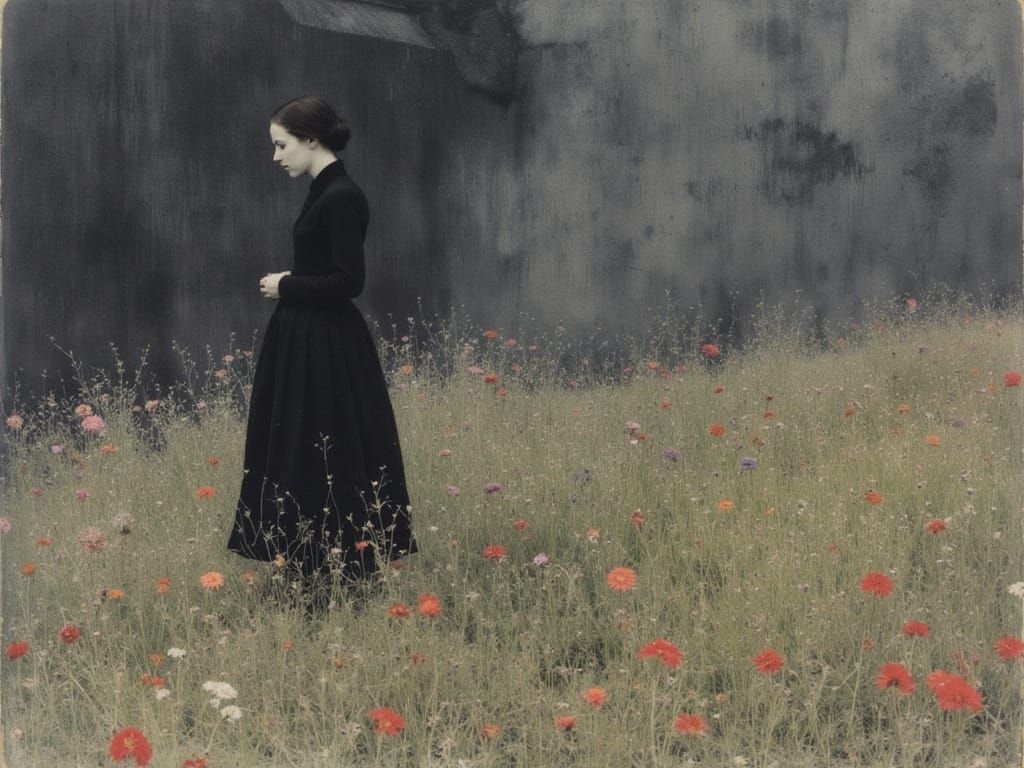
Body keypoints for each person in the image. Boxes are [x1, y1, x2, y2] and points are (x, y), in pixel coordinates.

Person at [228, 96, 416, 610]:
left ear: (312, 140)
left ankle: (339, 576)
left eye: (281, 145)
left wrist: (287, 284)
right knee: (307, 450)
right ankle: (310, 571)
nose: (276, 157)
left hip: (326, 347)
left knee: (327, 451)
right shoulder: (324, 191)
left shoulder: (341, 197)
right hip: (309, 342)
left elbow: (347, 281)